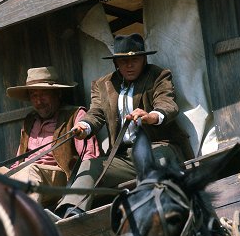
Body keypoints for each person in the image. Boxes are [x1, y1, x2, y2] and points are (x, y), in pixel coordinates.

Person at [55, 33, 193, 218]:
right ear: (115, 63)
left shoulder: (158, 75)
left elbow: (167, 104)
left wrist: (151, 116)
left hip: (157, 148)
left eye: (135, 60)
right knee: (90, 166)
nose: (129, 65)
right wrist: (83, 127)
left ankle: (164, 211)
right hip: (123, 157)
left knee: (159, 163)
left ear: (144, 59)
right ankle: (70, 213)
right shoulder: (102, 85)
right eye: (123, 61)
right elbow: (95, 114)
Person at [0, 66, 99, 208]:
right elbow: (18, 162)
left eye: (43, 94)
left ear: (58, 93)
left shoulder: (75, 115)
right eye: (34, 95)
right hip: (25, 176)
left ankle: (29, 223)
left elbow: (90, 158)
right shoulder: (30, 120)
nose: (38, 101)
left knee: (30, 170)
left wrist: (78, 191)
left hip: (57, 180)